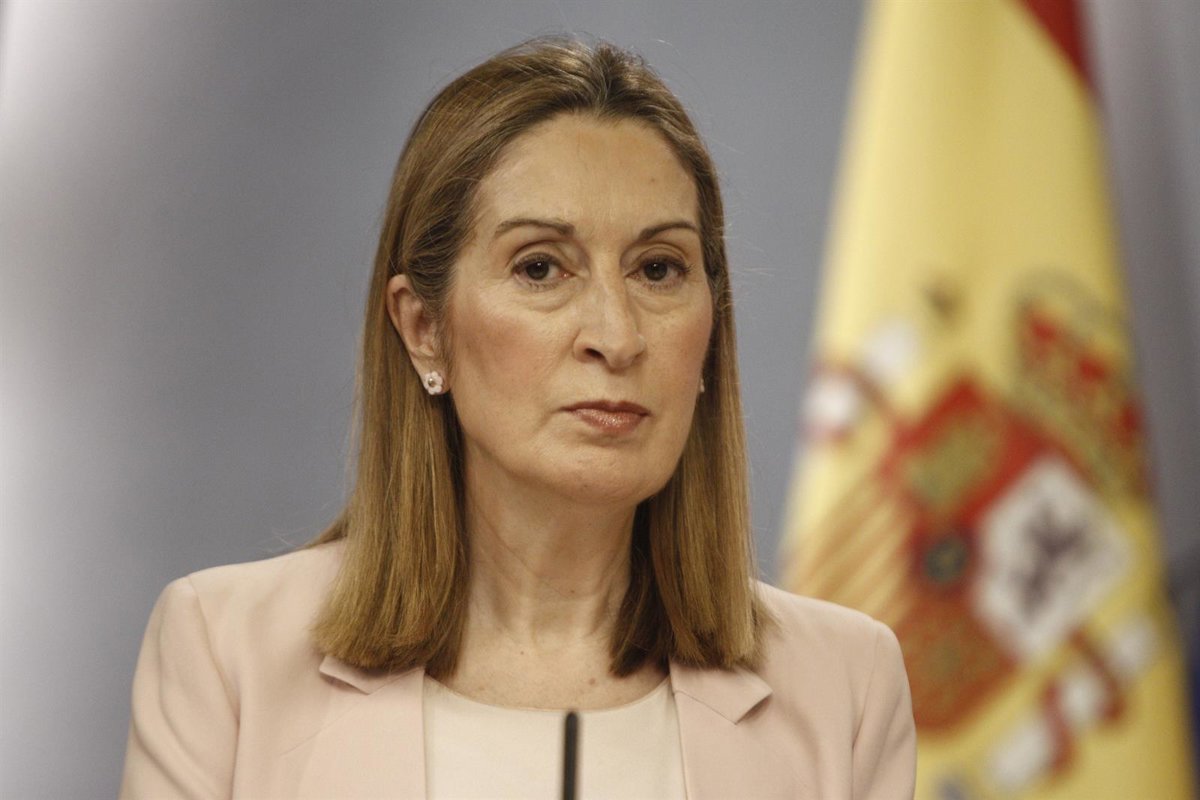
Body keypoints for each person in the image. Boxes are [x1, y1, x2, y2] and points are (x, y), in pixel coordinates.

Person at [120, 36, 915, 799]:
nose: (617, 336)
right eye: (540, 268)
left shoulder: (843, 685)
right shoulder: (229, 654)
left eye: (658, 269)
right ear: (424, 328)